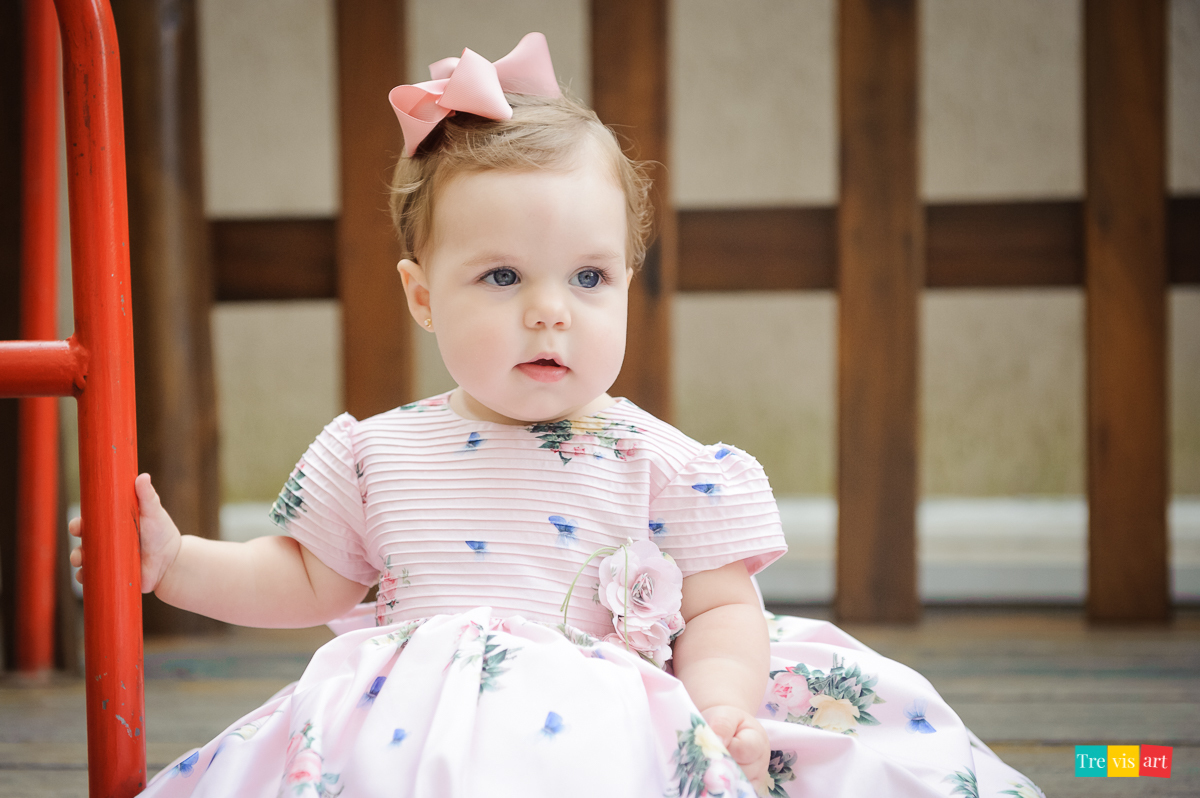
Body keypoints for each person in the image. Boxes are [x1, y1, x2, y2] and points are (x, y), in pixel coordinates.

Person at [71, 32, 1043, 798]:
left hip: (609, 725)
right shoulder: (380, 453)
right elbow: (302, 580)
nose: (550, 309)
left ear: (626, 281)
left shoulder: (655, 460)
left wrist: (717, 707)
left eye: (587, 277)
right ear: (421, 296)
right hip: (424, 731)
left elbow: (719, 607)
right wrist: (176, 564)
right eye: (500, 276)